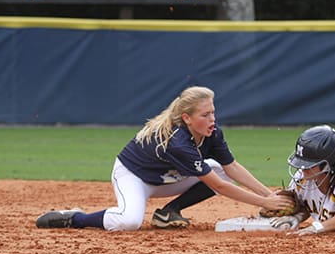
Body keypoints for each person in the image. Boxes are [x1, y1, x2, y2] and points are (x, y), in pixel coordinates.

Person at [36, 86, 293, 231]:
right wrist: (264, 201)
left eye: (213, 112)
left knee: (219, 168)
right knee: (129, 222)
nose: (212, 119)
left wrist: (269, 194)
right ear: (187, 119)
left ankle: (169, 212)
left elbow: (232, 167)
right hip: (134, 176)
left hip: (168, 178)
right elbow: (218, 186)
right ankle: (75, 218)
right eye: (205, 114)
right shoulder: (177, 141)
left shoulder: (212, 131)